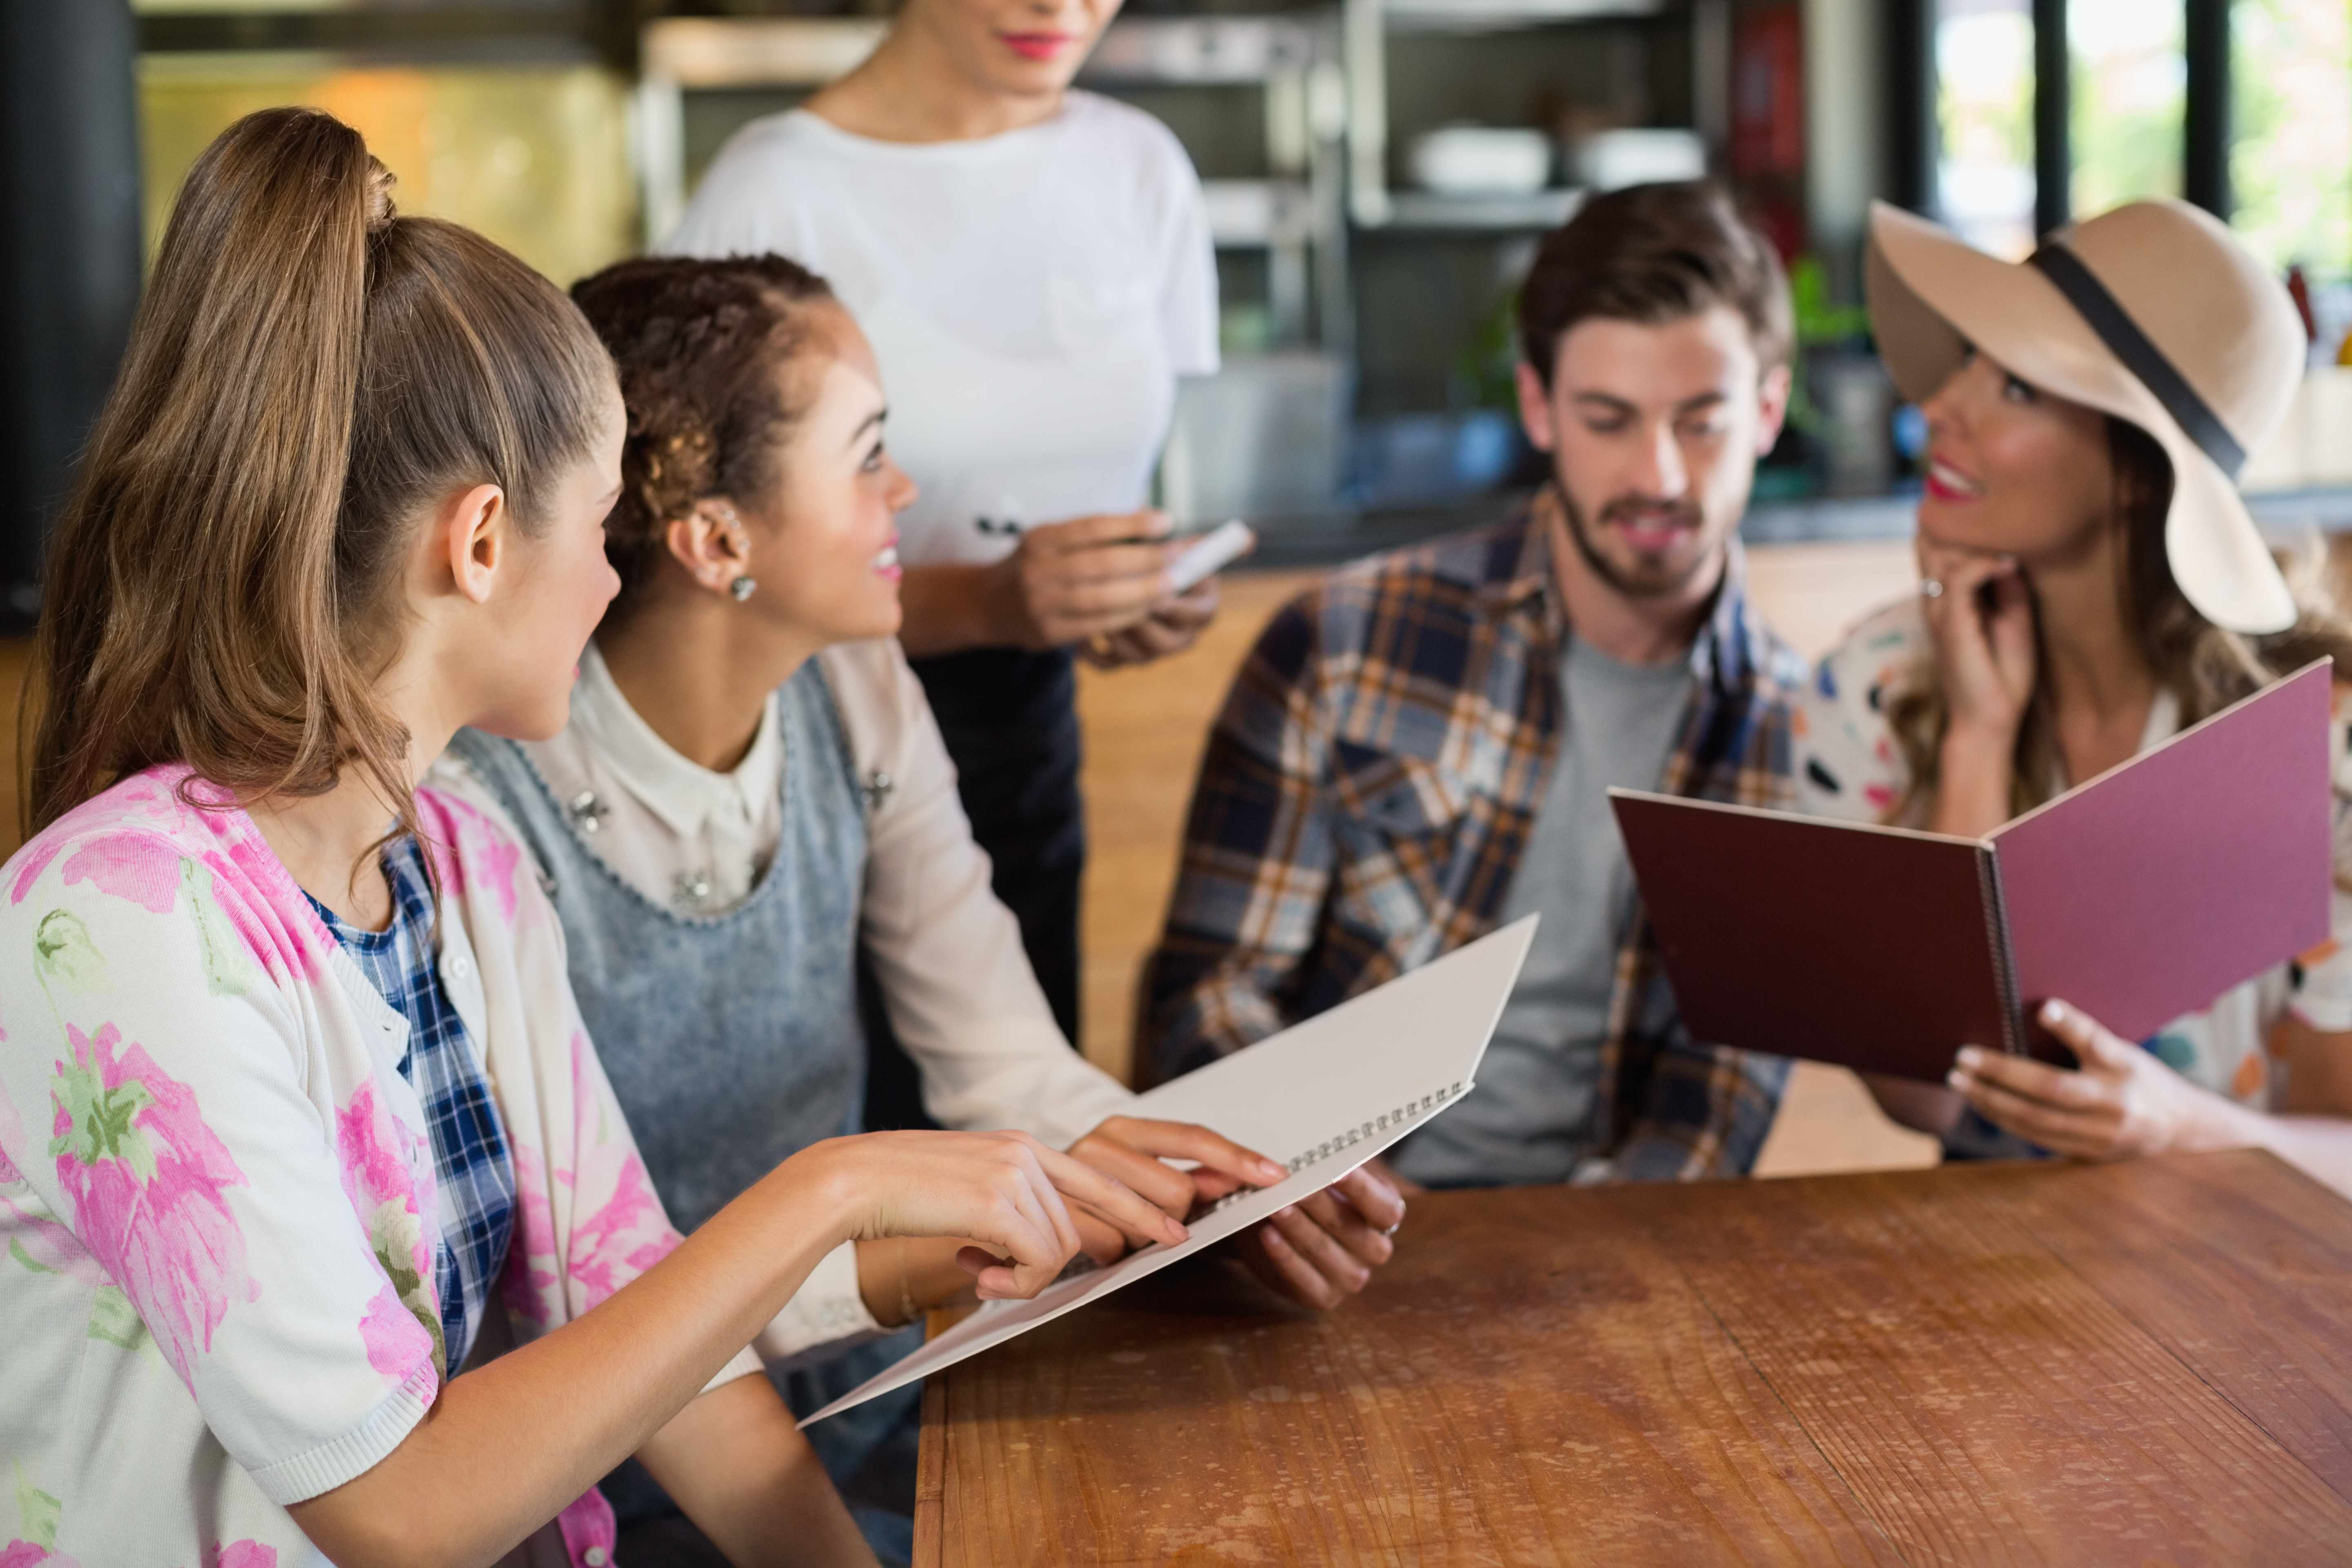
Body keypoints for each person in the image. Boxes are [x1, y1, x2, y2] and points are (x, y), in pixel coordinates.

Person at [0, 108, 1188, 1568]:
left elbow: (636, 1302)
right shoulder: (119, 922)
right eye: (606, 519)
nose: (618, 583)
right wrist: (830, 1192)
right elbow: (397, 1511)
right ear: (483, 542)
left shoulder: (463, 871)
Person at [427, 252, 1402, 1565]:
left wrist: (1214, 1195)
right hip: (594, 1469)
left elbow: (1000, 1058)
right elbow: (571, 1298)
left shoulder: (863, 689)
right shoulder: (481, 803)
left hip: (856, 1396)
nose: (907, 495)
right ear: (718, 541)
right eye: (870, 454)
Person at [1143, 181, 1808, 1187]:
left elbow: (1720, 1093)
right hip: (1323, 1221)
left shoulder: (1795, 730)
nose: (1661, 477)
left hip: (1611, 1252)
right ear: (1539, 407)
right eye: (1610, 419)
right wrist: (1315, 1199)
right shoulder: (1345, 641)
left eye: (1702, 422)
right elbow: (1207, 999)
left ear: (1767, 410)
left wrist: (1602, 1260)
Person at [663, 0, 1226, 1096]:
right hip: (801, 747)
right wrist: (991, 602)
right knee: (848, 1141)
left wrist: (1132, 589)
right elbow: (692, 568)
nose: (1058, 9)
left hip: (1028, 733)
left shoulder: (1139, 168)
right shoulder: (778, 185)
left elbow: (1129, 475)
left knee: (1025, 1126)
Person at [1795, 198, 2352, 1195]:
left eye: (2014, 385)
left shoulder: (2324, 744)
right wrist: (1977, 733)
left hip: (2258, 1300)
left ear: (2139, 478)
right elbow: (1921, 1094)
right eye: (1966, 358)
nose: (1941, 408)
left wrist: (2182, 1127)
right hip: (1982, 1281)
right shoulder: (1878, 681)